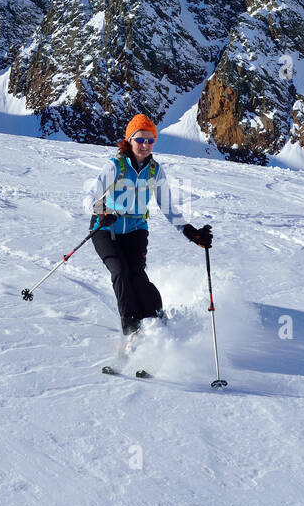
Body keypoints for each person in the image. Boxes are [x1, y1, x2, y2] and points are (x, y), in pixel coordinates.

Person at [87, 114, 213, 338]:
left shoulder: (154, 170)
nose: (145, 145)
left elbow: (168, 207)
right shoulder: (116, 165)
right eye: (140, 140)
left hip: (136, 229)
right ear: (129, 140)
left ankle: (156, 322)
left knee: (137, 276)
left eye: (150, 140)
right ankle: (131, 330)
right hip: (106, 228)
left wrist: (190, 232)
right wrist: (102, 212)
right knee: (120, 272)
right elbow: (90, 196)